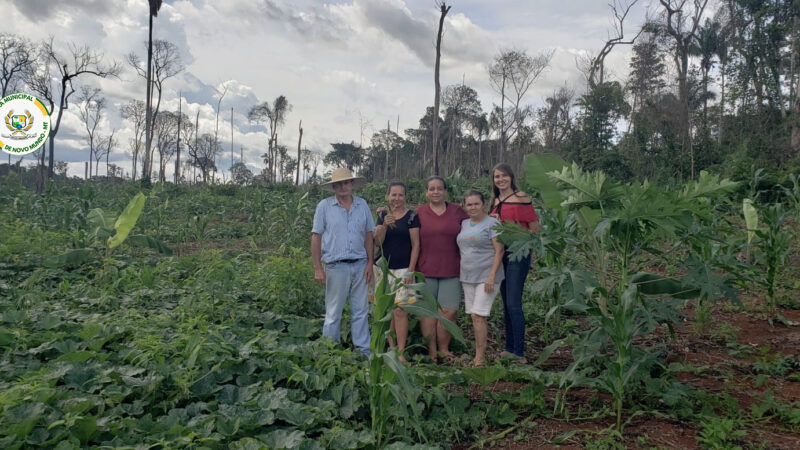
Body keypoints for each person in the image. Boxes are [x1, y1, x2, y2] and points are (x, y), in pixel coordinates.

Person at [311, 167, 375, 357]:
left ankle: (363, 351)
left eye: (346, 183)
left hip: (360, 264)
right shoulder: (324, 206)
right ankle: (330, 353)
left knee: (360, 310)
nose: (343, 187)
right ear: (334, 187)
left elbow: (368, 234)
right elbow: (316, 237)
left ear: (352, 184)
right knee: (333, 312)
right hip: (335, 266)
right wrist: (317, 268)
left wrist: (370, 262)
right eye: (338, 184)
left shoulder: (362, 205)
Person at [490, 163, 539, 363]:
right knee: (506, 303)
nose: (500, 179)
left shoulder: (522, 198)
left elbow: (535, 228)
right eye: (496, 177)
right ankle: (509, 348)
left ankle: (519, 352)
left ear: (511, 177)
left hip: (518, 253)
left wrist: (525, 246)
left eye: (504, 176)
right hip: (501, 254)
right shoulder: (495, 200)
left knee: (513, 303)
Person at [416, 176, 468, 362]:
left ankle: (444, 350)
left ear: (445, 191)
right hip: (425, 270)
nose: (435, 192)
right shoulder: (419, 213)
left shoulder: (457, 211)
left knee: (449, 311)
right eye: (431, 189)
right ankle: (431, 351)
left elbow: (475, 225)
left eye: (439, 188)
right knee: (428, 313)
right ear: (426, 192)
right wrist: (384, 213)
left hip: (451, 269)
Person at [457, 190, 505, 367]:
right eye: (469, 204)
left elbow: (499, 250)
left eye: (476, 204)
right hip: (467, 276)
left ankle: (480, 358)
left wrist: (491, 275)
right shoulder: (464, 224)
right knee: (474, 317)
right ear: (464, 206)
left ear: (483, 204)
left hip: (487, 277)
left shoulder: (492, 223)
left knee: (479, 315)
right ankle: (479, 353)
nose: (473, 207)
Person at [374, 182, 420, 363]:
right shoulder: (382, 215)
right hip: (384, 270)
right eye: (393, 195)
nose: (397, 198)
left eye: (400, 195)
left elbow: (416, 244)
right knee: (386, 310)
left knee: (400, 311)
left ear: (405, 197)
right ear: (387, 196)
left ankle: (401, 352)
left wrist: (411, 270)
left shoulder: (411, 217)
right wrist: (383, 224)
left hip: (403, 269)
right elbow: (377, 242)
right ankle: (391, 348)